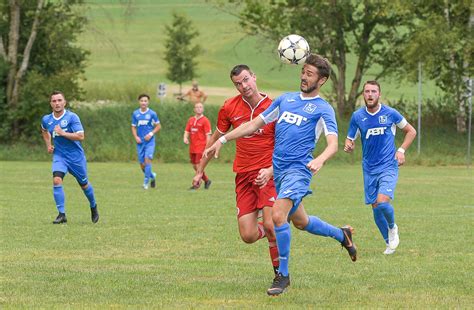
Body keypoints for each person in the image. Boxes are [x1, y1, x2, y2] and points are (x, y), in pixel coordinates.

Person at [204, 55, 357, 296]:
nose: (304, 77)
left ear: (323, 80)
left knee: (276, 216)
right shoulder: (285, 100)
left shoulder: (323, 109)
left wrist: (320, 158)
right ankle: (342, 234)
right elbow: (253, 125)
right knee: (301, 222)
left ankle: (282, 275)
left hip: (299, 172)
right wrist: (222, 139)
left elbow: (333, 144)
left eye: (310, 74)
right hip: (280, 171)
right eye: (303, 71)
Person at [193, 64, 281, 281]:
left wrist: (272, 170)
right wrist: (199, 171)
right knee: (248, 235)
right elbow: (215, 139)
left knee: (271, 225)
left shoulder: (274, 107)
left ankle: (280, 273)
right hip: (243, 175)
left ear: (254, 76)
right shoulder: (229, 107)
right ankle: (274, 229)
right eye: (238, 84)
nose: (243, 86)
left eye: (245, 80)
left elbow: (283, 145)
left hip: (267, 174)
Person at [344, 80, 417, 255]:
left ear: (379, 94)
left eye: (373, 91)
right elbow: (350, 138)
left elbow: (411, 131)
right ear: (363, 94)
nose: (370, 94)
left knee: (383, 202)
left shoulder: (391, 114)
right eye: (367, 91)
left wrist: (401, 150)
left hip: (388, 166)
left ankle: (393, 228)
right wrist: (349, 145)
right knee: (376, 208)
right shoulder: (357, 116)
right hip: (368, 168)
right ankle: (388, 243)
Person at [41, 91, 99, 224]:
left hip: (76, 158)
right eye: (54, 101)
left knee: (84, 185)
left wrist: (62, 133)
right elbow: (44, 130)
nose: (57, 103)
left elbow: (81, 136)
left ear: (64, 102)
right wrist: (49, 144)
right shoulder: (46, 119)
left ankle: (93, 206)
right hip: (60, 156)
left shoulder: (72, 117)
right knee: (56, 180)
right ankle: (62, 214)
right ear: (51, 104)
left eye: (59, 100)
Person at [131, 94, 161, 189]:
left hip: (150, 142)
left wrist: (151, 134)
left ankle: (145, 183)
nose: (143, 102)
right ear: (139, 102)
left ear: (148, 102)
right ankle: (152, 176)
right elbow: (133, 127)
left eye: (145, 101)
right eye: (142, 101)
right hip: (140, 142)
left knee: (147, 160)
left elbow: (158, 126)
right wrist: (136, 137)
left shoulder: (152, 114)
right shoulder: (135, 113)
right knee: (142, 165)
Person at [183, 102, 212, 190]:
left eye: (200, 107)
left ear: (203, 109)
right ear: (194, 109)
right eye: (197, 107)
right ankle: (206, 180)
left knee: (198, 165)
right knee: (194, 166)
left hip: (201, 146)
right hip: (193, 147)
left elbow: (208, 134)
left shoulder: (205, 120)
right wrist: (185, 138)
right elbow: (187, 131)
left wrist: (207, 147)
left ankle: (196, 184)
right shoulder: (191, 120)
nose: (199, 109)